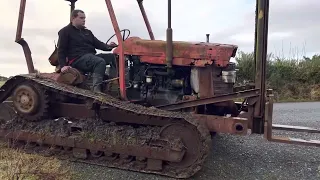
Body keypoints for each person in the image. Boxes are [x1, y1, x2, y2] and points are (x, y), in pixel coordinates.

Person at [57, 9, 117, 93]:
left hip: (90, 57)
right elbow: (61, 50)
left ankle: (115, 84)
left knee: (115, 58)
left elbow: (98, 44)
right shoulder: (65, 31)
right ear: (73, 18)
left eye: (84, 18)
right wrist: (63, 65)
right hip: (77, 59)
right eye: (81, 18)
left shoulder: (87, 32)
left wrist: (110, 46)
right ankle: (96, 90)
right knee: (99, 62)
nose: (84, 20)